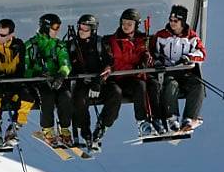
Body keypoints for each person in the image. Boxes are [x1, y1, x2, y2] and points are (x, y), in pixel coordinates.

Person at [102, 8, 155, 137]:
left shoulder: (143, 40)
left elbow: (150, 58)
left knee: (141, 86)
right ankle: (102, 126)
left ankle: (142, 121)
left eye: (129, 24)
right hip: (115, 78)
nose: (125, 26)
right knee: (115, 94)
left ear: (136, 25)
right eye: (123, 23)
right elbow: (107, 59)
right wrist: (107, 68)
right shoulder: (111, 40)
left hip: (132, 78)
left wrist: (146, 59)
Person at [153, 4, 206, 132]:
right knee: (171, 85)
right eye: (170, 20)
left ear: (182, 22)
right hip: (169, 71)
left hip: (185, 71)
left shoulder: (191, 37)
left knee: (198, 85)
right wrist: (158, 61)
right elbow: (151, 52)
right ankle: (172, 118)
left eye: (175, 21)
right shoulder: (161, 36)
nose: (172, 23)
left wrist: (189, 57)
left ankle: (189, 118)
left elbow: (202, 54)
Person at [25, 13, 73, 146]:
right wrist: (37, 73)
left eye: (59, 27)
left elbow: (65, 61)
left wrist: (62, 74)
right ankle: (47, 129)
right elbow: (25, 67)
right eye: (55, 27)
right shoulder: (31, 45)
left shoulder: (59, 44)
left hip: (54, 79)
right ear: (46, 27)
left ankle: (64, 128)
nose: (57, 30)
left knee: (65, 96)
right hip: (38, 81)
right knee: (47, 97)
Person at [0, 18, 31, 146]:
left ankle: (15, 126)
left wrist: (17, 80)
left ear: (11, 35)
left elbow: (21, 67)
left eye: (3, 35)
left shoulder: (19, 45)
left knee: (27, 96)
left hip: (13, 81)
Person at [66, 14, 112, 149]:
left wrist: (98, 81)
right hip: (80, 84)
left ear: (92, 30)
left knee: (116, 93)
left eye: (85, 29)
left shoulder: (99, 43)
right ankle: (85, 131)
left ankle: (102, 126)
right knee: (79, 99)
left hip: (99, 83)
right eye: (80, 28)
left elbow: (109, 65)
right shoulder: (72, 45)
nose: (81, 31)